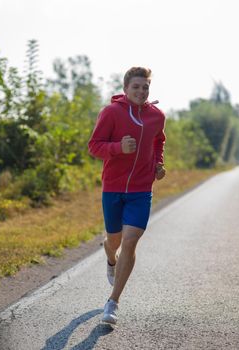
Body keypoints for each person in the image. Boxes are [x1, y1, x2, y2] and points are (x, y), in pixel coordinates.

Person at [88, 67, 166, 325]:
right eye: (137, 87)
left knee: (130, 241)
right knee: (114, 240)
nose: (142, 92)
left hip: (141, 190)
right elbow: (94, 146)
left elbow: (158, 142)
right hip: (113, 187)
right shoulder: (111, 112)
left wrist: (158, 163)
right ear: (126, 89)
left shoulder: (157, 116)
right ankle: (110, 258)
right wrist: (118, 148)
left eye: (145, 87)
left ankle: (113, 302)